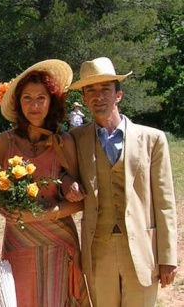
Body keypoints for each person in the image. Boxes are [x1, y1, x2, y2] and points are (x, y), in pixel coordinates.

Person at [68, 57, 178, 306]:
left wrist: (168, 256)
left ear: (118, 95)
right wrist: (66, 182)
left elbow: (165, 202)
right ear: (84, 99)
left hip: (141, 249)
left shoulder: (153, 139)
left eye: (105, 89)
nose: (98, 97)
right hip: (98, 250)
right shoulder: (75, 139)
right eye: (91, 91)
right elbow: (61, 171)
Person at [0, 59, 89, 306]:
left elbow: (79, 202)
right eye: (27, 98)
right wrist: (8, 210)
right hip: (19, 241)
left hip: (58, 241)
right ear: (17, 103)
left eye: (41, 98)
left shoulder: (64, 142)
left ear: (51, 101)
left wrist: (41, 215)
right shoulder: (5, 142)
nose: (34, 105)